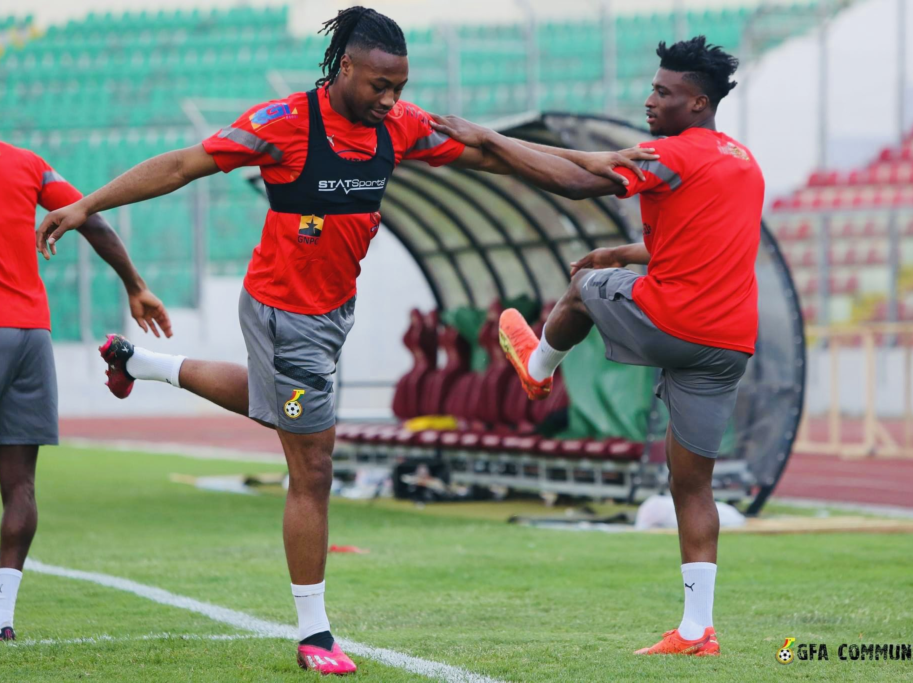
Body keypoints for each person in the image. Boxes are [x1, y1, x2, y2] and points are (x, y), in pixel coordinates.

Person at [34, 6, 655, 674]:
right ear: (345, 67)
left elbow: (490, 152)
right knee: (316, 464)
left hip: (333, 311)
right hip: (281, 309)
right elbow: (185, 163)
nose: (391, 99)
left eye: (401, 86)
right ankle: (314, 632)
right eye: (380, 85)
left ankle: (142, 362)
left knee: (280, 405)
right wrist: (87, 204)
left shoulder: (399, 125)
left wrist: (593, 161)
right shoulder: (284, 124)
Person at [431, 35, 763, 657]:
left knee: (583, 289)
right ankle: (698, 630)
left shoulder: (672, 155)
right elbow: (697, 242)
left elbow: (579, 183)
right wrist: (626, 253)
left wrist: (493, 140)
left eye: (663, 92)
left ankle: (536, 369)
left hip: (676, 321)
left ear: (696, 102)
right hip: (726, 345)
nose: (649, 99)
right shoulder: (741, 160)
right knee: (692, 486)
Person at [0, 140, 170, 642]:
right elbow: (87, 215)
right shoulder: (26, 162)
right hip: (31, 333)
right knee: (20, 485)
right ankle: (1, 618)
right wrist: (134, 284)